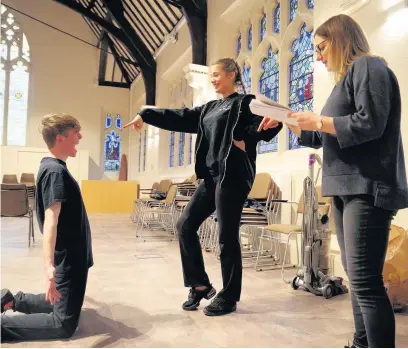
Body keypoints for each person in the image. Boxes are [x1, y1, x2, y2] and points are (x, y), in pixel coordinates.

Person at [259, 14, 408, 348]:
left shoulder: (369, 66)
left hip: (367, 186)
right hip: (344, 188)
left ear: (341, 39)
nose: (318, 56)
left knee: (367, 281)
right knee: (357, 280)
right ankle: (360, 343)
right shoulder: (344, 83)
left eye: (322, 47)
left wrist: (321, 120)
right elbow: (322, 135)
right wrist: (290, 121)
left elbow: (370, 123)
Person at [125, 58, 282, 316]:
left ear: (232, 75)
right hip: (210, 177)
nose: (213, 79)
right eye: (211, 76)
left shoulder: (245, 103)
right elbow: (180, 117)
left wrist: (269, 127)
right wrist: (146, 113)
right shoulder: (209, 108)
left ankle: (229, 297)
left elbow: (261, 129)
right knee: (185, 225)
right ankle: (199, 284)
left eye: (217, 74)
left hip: (232, 176)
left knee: (226, 235)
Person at [1, 114, 93, 342]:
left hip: (74, 258)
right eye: (75, 133)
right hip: (69, 259)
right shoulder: (55, 171)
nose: (80, 137)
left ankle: (11, 301)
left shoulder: (52, 167)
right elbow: (52, 219)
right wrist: (48, 266)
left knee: (63, 301)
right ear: (61, 138)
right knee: (62, 325)